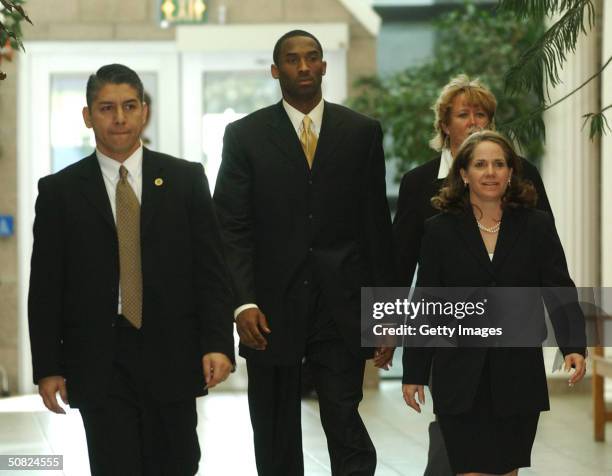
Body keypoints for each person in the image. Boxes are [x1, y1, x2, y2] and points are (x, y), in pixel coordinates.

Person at [28, 63, 235, 476]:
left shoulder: (185, 180)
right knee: (115, 465)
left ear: (145, 111)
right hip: (98, 360)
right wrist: (48, 366)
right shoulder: (59, 192)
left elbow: (211, 271)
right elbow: (46, 288)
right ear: (88, 116)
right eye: (106, 108)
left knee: (177, 464)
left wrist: (218, 342)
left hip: (173, 354)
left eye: (128, 106)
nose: (118, 118)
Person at [214, 30, 395, 476]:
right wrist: (243, 301)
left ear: (324, 66)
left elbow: (376, 231)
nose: (304, 67)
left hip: (341, 305)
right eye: (293, 60)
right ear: (276, 71)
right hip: (270, 310)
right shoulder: (245, 136)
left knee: (343, 416)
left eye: (312, 57)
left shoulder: (361, 132)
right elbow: (230, 227)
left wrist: (385, 315)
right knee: (274, 429)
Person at [393, 75, 553, 475]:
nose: (474, 121)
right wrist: (390, 330)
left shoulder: (522, 174)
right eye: (463, 114)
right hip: (452, 341)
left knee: (502, 458)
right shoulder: (419, 184)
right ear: (445, 124)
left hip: (512, 347)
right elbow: (406, 269)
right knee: (458, 439)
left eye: (481, 113)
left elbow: (546, 259)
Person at [402, 131, 586, 476]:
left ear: (511, 173)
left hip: (517, 375)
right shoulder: (439, 231)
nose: (490, 172)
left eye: (499, 164)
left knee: (506, 471)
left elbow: (558, 286)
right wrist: (413, 372)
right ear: (463, 174)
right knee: (470, 470)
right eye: (481, 164)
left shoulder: (536, 226)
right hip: (458, 376)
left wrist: (574, 344)